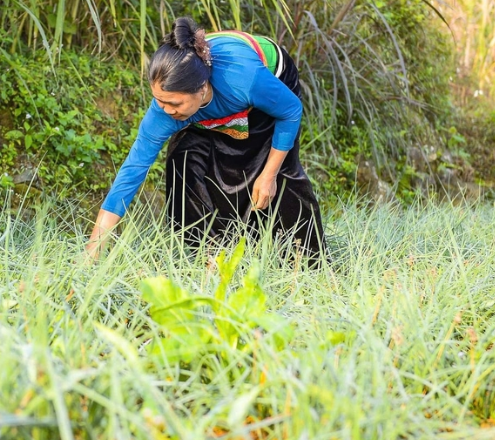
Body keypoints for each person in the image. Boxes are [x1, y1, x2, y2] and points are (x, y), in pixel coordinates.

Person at [86, 17, 324, 261]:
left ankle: (301, 259)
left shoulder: (244, 80)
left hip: (273, 83)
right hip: (215, 98)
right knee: (185, 158)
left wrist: (269, 175)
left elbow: (291, 111)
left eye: (174, 103)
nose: (166, 110)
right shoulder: (164, 111)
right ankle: (211, 254)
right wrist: (94, 247)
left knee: (268, 167)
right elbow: (133, 169)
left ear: (201, 89)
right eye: (160, 100)